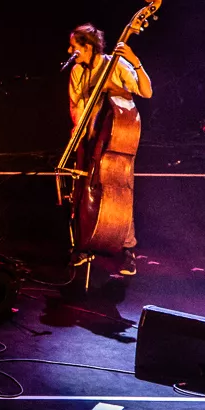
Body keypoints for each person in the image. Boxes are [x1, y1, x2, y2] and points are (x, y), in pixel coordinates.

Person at [66, 23, 152, 275]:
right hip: (89, 138)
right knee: (82, 188)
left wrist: (135, 62)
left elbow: (146, 91)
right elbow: (76, 104)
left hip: (114, 141)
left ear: (88, 47)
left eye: (74, 46)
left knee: (121, 192)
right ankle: (83, 242)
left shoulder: (116, 64)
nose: (70, 51)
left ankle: (128, 249)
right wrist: (80, 130)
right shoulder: (77, 71)